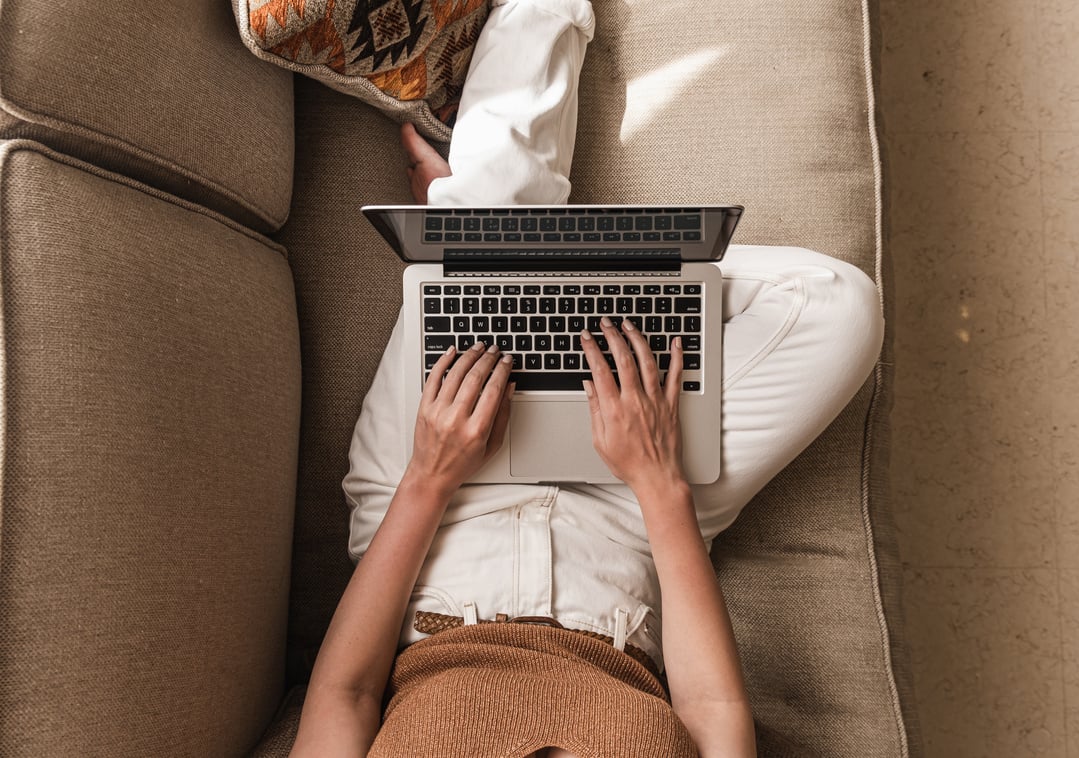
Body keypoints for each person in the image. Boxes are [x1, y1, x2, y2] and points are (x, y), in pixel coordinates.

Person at [291, 0, 884, 755]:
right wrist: (658, 479)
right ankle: (485, 240)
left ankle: (482, 235)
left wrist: (430, 474)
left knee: (495, 216)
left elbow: (346, 694)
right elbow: (710, 708)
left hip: (438, 513)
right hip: (632, 526)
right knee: (835, 307)